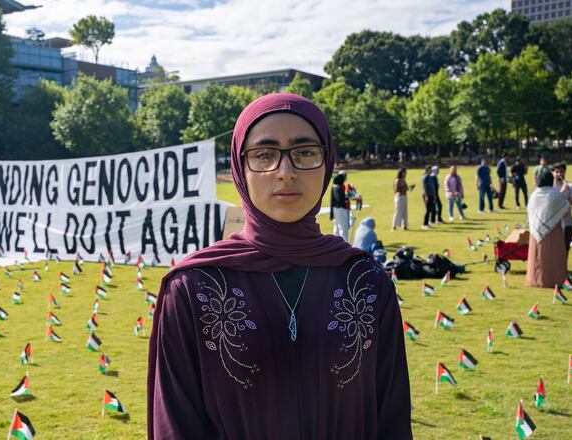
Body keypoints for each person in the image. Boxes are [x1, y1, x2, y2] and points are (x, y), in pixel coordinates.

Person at [148, 93, 412, 439]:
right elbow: (176, 426)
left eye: (305, 153)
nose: (285, 172)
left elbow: (391, 418)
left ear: (327, 160)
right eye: (264, 155)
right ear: (240, 168)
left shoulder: (366, 282)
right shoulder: (193, 288)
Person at [525, 170, 568, 288]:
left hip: (535, 232)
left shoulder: (534, 194)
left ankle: (534, 279)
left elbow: (530, 210)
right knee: (552, 257)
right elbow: (565, 205)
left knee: (537, 258)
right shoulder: (553, 193)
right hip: (552, 231)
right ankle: (553, 280)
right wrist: (564, 192)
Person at [552, 163, 572, 258]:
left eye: (561, 171)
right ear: (552, 172)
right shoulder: (549, 187)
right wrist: (562, 191)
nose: (559, 174)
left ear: (564, 172)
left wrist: (570, 194)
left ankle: (563, 270)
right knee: (554, 248)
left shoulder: (570, 186)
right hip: (553, 223)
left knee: (565, 247)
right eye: (556, 172)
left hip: (568, 221)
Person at [330, 171, 350, 242]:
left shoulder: (334, 186)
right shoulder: (338, 188)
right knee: (343, 229)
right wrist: (347, 197)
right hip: (341, 209)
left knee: (337, 228)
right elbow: (340, 200)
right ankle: (345, 245)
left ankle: (335, 244)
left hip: (335, 209)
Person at [422, 165, 436, 229]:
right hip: (427, 195)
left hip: (431, 195)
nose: (431, 171)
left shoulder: (430, 177)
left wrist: (434, 195)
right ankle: (424, 224)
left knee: (430, 209)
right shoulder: (425, 177)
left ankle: (427, 223)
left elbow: (432, 187)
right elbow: (424, 187)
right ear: (427, 170)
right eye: (430, 169)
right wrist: (426, 196)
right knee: (427, 210)